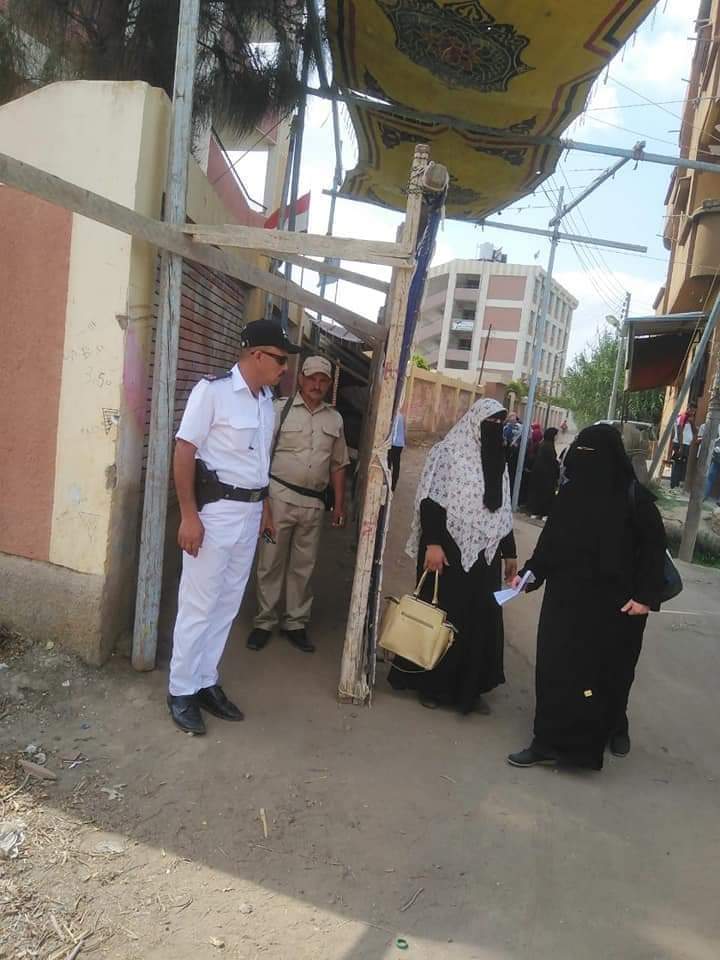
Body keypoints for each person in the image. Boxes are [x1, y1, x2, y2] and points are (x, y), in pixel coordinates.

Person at [167, 319, 300, 735]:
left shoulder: (266, 402)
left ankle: (205, 680)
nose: (285, 368)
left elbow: (258, 463)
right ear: (256, 355)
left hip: (249, 513)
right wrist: (189, 515)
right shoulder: (213, 392)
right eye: (280, 359)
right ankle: (180, 690)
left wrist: (264, 508)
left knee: (226, 603)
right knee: (198, 603)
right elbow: (184, 451)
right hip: (216, 512)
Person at [507, 424, 667, 770]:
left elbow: (654, 552)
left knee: (608, 675)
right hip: (565, 602)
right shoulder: (569, 496)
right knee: (556, 670)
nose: (582, 461)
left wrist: (645, 598)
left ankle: (611, 729)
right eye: (579, 452)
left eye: (590, 455)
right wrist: (529, 575)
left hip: (616, 608)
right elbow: (550, 544)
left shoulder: (636, 500)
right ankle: (545, 741)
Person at [388, 398, 517, 715]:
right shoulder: (448, 452)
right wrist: (432, 544)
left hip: (486, 556)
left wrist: (510, 552)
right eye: (490, 422)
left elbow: (502, 511)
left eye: (499, 423)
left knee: (480, 619)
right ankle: (431, 686)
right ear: (474, 422)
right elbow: (430, 500)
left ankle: (469, 690)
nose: (495, 429)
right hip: (447, 550)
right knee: (443, 616)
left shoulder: (498, 460)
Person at [247, 356, 350, 654]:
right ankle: (264, 621)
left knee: (304, 566)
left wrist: (339, 506)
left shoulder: (335, 420)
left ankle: (295, 623)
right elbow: (261, 456)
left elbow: (339, 464)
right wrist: (263, 501)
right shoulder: (280, 410)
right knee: (270, 560)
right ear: (301, 379)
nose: (317, 384)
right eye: (312, 378)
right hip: (278, 499)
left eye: (323, 380)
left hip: (313, 506)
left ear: (329, 384)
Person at [528, 427, 559, 519]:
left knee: (537, 493)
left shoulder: (542, 444)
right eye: (556, 435)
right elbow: (551, 461)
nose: (557, 437)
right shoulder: (549, 446)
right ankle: (544, 513)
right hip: (546, 476)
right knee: (546, 494)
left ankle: (535, 512)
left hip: (538, 473)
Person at [670, 404, 697, 489]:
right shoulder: (683, 416)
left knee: (682, 465)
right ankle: (673, 485)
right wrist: (681, 447)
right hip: (680, 444)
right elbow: (679, 431)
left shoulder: (690, 419)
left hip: (686, 445)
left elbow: (695, 432)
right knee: (677, 464)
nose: (693, 412)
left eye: (694, 411)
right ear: (688, 408)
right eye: (691, 410)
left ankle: (677, 485)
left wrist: (692, 423)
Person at [388, 412, 406, 492]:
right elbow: (404, 430)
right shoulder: (401, 416)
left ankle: (388, 484)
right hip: (400, 444)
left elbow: (393, 431)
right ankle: (393, 486)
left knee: (388, 463)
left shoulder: (393, 416)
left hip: (393, 443)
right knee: (396, 464)